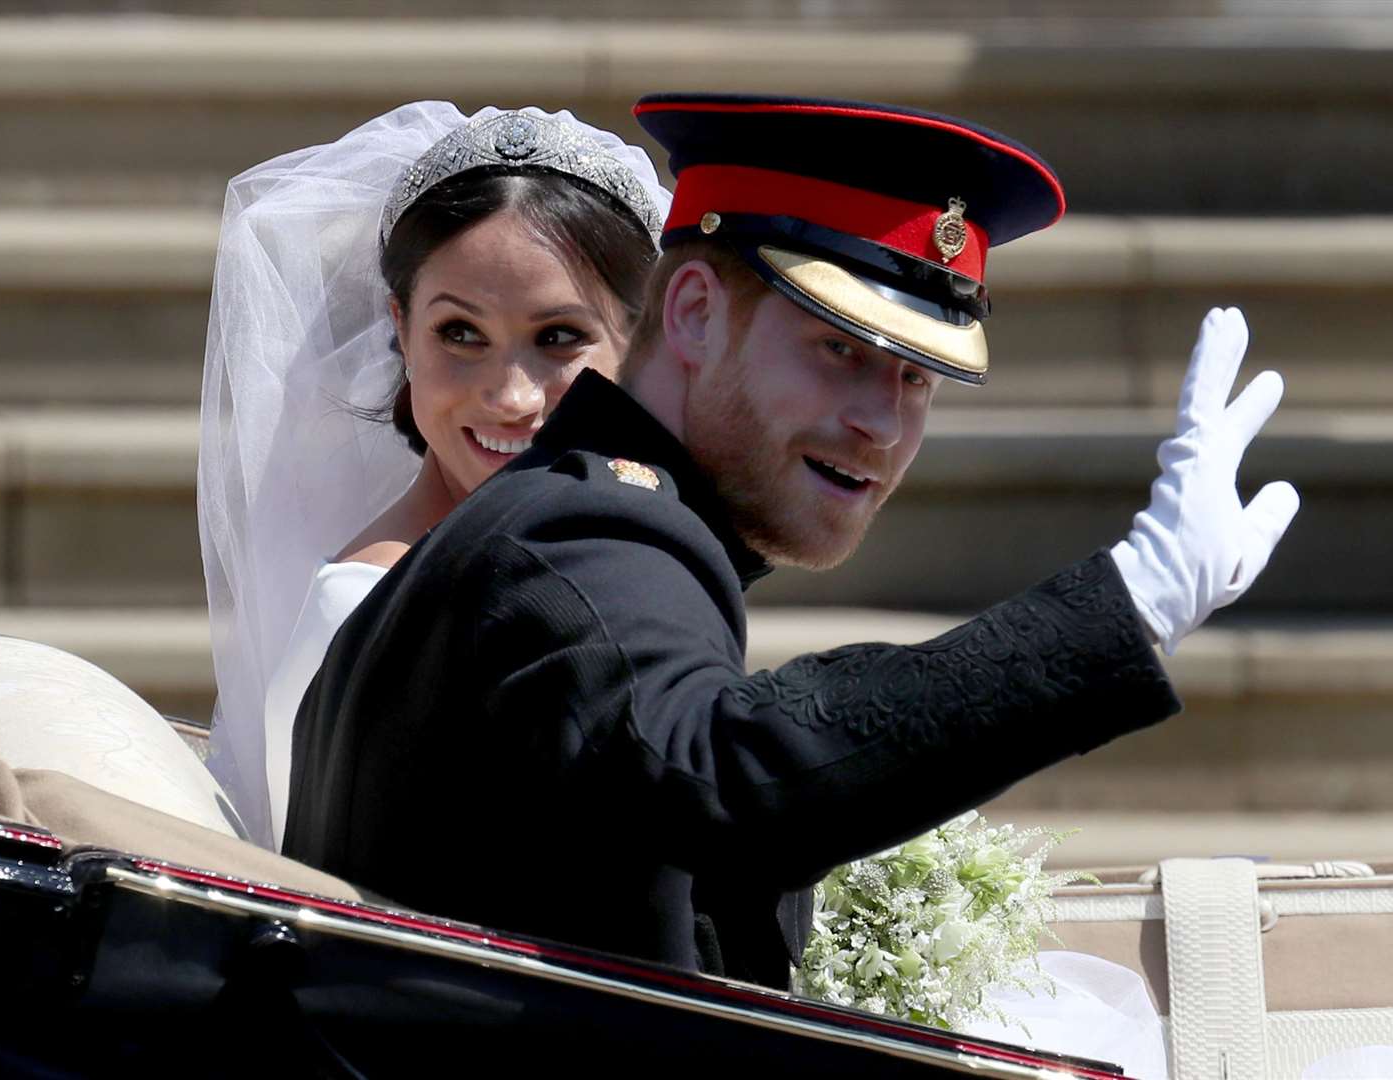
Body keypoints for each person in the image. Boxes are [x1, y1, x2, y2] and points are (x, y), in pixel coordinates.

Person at [284, 93, 1300, 990]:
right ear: (691, 314)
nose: (880, 422)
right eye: (836, 350)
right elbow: (723, 773)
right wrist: (1129, 600)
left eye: (914, 378)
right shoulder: (585, 527)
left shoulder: (600, 518)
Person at [197, 103, 671, 849]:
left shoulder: (632, 553)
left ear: (639, 340)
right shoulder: (363, 611)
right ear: (401, 329)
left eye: (558, 338)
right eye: (460, 333)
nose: (511, 396)